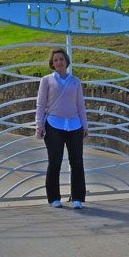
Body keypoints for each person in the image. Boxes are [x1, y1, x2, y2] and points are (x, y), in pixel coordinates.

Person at [35, 48, 88, 209]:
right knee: (55, 162)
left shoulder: (75, 81)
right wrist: (39, 124)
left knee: (77, 162)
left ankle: (77, 198)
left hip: (74, 125)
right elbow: (41, 103)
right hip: (54, 125)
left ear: (66, 61)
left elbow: (81, 105)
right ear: (52, 63)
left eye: (61, 59)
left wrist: (85, 126)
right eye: (56, 60)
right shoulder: (46, 80)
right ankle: (54, 198)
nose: (59, 62)